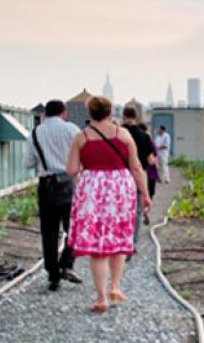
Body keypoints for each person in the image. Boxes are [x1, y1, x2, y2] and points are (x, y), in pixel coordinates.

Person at [65, 96, 151, 313]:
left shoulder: (81, 137)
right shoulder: (123, 134)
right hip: (120, 188)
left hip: (93, 189)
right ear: (110, 111)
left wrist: (88, 165)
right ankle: (115, 287)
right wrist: (145, 194)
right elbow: (136, 167)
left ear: (89, 113)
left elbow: (72, 170)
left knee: (97, 247)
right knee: (119, 238)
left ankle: (101, 297)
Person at [23, 100, 83, 291]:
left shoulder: (35, 132)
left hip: (46, 185)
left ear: (44, 114)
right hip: (69, 183)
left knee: (49, 231)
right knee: (75, 227)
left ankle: (53, 275)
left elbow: (28, 163)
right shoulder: (72, 130)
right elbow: (83, 155)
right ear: (63, 113)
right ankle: (66, 263)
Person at [121, 107, 154, 250]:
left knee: (119, 209)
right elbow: (151, 160)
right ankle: (131, 243)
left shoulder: (117, 133)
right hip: (137, 175)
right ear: (136, 117)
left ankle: (119, 239)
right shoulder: (144, 136)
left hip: (119, 175)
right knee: (136, 210)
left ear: (123, 116)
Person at [138, 123, 159, 201]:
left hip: (145, 169)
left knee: (146, 190)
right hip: (149, 170)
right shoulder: (149, 141)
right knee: (150, 191)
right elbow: (154, 156)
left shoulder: (143, 140)